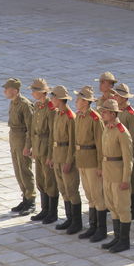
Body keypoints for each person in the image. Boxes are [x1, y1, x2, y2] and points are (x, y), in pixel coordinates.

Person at [99, 99, 134, 252]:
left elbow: (128, 158)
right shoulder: (107, 128)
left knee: (122, 208)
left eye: (105, 112)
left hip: (118, 174)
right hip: (108, 173)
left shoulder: (122, 132)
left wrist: (126, 179)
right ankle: (117, 237)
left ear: (113, 114)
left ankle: (124, 241)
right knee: (112, 205)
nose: (102, 114)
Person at [73, 86, 106, 242]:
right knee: (89, 194)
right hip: (82, 160)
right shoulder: (79, 116)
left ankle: (101, 229)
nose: (76, 101)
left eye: (79, 99)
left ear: (86, 102)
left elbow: (100, 144)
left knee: (97, 195)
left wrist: (100, 165)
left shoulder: (95, 118)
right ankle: (93, 226)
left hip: (92, 160)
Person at [49, 85, 82, 232]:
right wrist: (52, 157)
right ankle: (69, 219)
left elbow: (73, 142)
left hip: (66, 158)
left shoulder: (70, 117)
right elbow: (54, 138)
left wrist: (69, 161)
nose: (51, 100)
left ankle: (77, 222)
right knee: (63, 189)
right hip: (58, 156)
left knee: (71, 190)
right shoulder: (58, 114)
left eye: (53, 97)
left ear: (59, 99)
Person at [27, 79, 59, 224]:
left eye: (35, 90)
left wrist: (51, 155)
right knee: (40, 179)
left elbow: (53, 133)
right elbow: (33, 129)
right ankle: (44, 209)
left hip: (46, 147)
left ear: (42, 92)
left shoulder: (51, 108)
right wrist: (31, 147)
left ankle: (52, 212)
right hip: (38, 147)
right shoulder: (37, 106)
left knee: (50, 180)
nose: (32, 93)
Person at [3, 78, 35, 215]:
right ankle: (25, 197)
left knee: (25, 170)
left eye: (7, 89)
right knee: (18, 171)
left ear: (15, 90)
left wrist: (28, 146)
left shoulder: (25, 105)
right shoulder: (13, 103)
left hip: (22, 140)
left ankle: (31, 200)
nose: (4, 91)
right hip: (14, 139)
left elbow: (30, 128)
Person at [113, 83, 134, 221]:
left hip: (129, 153)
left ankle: (132, 209)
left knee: (131, 180)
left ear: (124, 98)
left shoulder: (130, 114)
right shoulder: (116, 111)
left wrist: (126, 149)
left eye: (117, 95)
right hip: (118, 154)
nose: (115, 97)